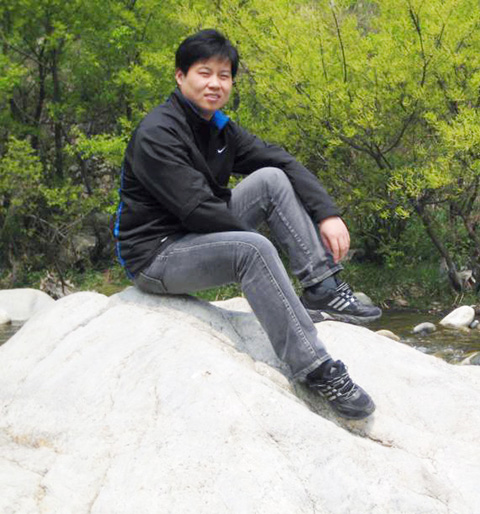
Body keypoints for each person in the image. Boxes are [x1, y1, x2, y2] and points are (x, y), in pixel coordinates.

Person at [114, 29, 381, 420]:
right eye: (204, 73)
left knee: (271, 179)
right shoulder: (158, 133)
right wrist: (263, 256)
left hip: (196, 233)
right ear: (180, 76)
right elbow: (197, 210)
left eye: (224, 75)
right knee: (253, 249)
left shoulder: (219, 128)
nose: (215, 83)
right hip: (157, 255)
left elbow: (282, 160)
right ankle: (315, 368)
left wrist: (327, 213)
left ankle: (322, 287)